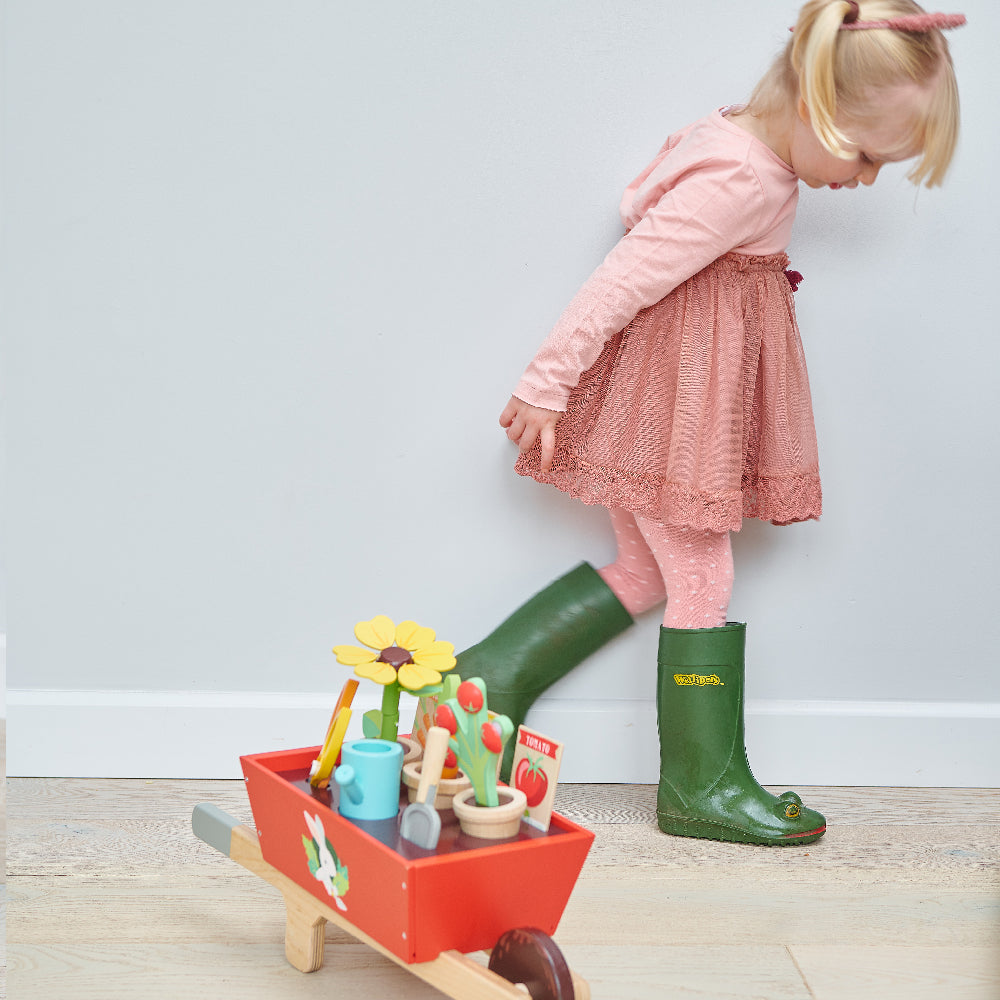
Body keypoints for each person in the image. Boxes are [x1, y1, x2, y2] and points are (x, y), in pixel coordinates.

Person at [458, 0, 964, 846]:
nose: (867, 180)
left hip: (669, 400)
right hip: (678, 413)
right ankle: (701, 786)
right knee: (703, 580)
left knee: (645, 571)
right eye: (867, 156)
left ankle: (486, 681)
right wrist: (548, 380)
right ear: (816, 108)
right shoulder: (744, 179)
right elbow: (624, 278)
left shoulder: (733, 138)